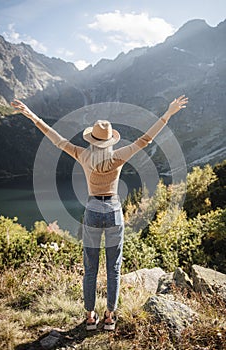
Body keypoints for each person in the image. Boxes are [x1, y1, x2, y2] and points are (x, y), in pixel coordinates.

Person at [11, 95, 188, 331]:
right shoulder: (118, 156)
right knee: (113, 269)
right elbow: (146, 139)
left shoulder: (83, 155)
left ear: (92, 140)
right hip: (114, 211)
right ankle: (109, 317)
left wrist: (31, 115)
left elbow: (57, 139)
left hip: (92, 211)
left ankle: (90, 317)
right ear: (110, 141)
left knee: (90, 268)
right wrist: (168, 113)